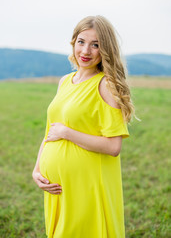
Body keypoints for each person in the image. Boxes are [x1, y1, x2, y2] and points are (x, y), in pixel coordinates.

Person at [32, 15, 134, 238]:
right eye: (81, 41)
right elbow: (50, 131)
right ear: (73, 42)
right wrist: (37, 169)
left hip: (87, 185)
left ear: (105, 49)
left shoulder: (106, 85)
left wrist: (68, 133)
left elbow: (113, 146)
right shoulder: (65, 81)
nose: (86, 51)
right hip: (58, 186)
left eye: (95, 44)